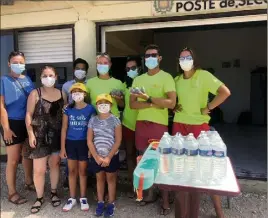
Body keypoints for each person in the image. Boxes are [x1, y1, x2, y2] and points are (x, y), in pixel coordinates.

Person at [173, 47, 231, 218]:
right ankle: (184, 212)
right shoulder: (176, 80)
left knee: (207, 169)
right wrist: (174, 105)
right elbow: (172, 99)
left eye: (187, 57)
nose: (184, 61)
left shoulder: (203, 75)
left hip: (199, 127)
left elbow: (225, 92)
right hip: (179, 125)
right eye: (181, 58)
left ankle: (219, 212)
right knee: (181, 170)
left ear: (194, 59)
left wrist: (209, 107)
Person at [130, 44, 176, 215]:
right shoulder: (138, 79)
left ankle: (165, 200)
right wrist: (153, 103)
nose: (150, 58)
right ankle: (149, 194)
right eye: (147, 55)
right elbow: (132, 104)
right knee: (143, 161)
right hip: (141, 125)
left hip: (159, 126)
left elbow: (171, 103)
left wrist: (148, 98)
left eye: (153, 55)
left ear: (159, 58)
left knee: (161, 162)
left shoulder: (167, 78)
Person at [25, 65, 64, 213]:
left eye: (51, 75)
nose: (48, 78)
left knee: (54, 165)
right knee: (39, 170)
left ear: (56, 77)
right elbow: (28, 114)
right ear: (41, 78)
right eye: (45, 75)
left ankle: (53, 192)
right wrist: (30, 133)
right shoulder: (35, 93)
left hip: (56, 135)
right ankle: (39, 197)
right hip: (39, 136)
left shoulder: (62, 94)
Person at [0, 51, 35, 204]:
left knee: (27, 154)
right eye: (15, 62)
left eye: (21, 62)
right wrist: (6, 128)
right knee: (13, 160)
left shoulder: (27, 79)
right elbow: (1, 105)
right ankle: (12, 192)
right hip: (12, 122)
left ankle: (28, 182)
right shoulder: (3, 80)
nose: (18, 65)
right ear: (9, 63)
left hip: (27, 122)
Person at [60, 83, 96, 212]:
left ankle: (83, 197)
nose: (76, 94)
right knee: (72, 171)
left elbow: (93, 129)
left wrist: (92, 149)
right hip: (70, 143)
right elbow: (64, 129)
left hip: (84, 143)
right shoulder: (68, 109)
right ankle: (72, 198)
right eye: (74, 92)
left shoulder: (91, 109)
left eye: (79, 91)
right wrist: (63, 148)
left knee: (82, 171)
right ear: (70, 95)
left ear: (85, 94)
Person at [87, 94, 122, 217]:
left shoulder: (115, 120)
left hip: (111, 156)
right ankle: (100, 202)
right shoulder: (93, 120)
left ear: (111, 105)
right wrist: (96, 157)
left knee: (111, 179)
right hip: (97, 156)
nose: (103, 105)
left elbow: (118, 141)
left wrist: (108, 157)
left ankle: (111, 203)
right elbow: (89, 140)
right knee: (99, 179)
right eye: (100, 103)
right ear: (96, 106)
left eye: (106, 103)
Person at [86, 53, 124, 118]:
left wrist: (118, 99)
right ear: (96, 65)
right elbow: (87, 103)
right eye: (100, 63)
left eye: (105, 63)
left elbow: (122, 105)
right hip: (95, 120)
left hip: (113, 119)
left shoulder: (118, 83)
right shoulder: (90, 82)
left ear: (110, 65)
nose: (102, 65)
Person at [122, 57, 139, 198]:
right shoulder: (124, 85)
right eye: (128, 69)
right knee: (130, 155)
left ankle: (145, 187)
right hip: (128, 124)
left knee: (144, 157)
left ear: (139, 68)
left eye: (133, 68)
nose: (131, 71)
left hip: (143, 124)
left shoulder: (145, 81)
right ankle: (133, 185)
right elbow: (122, 105)